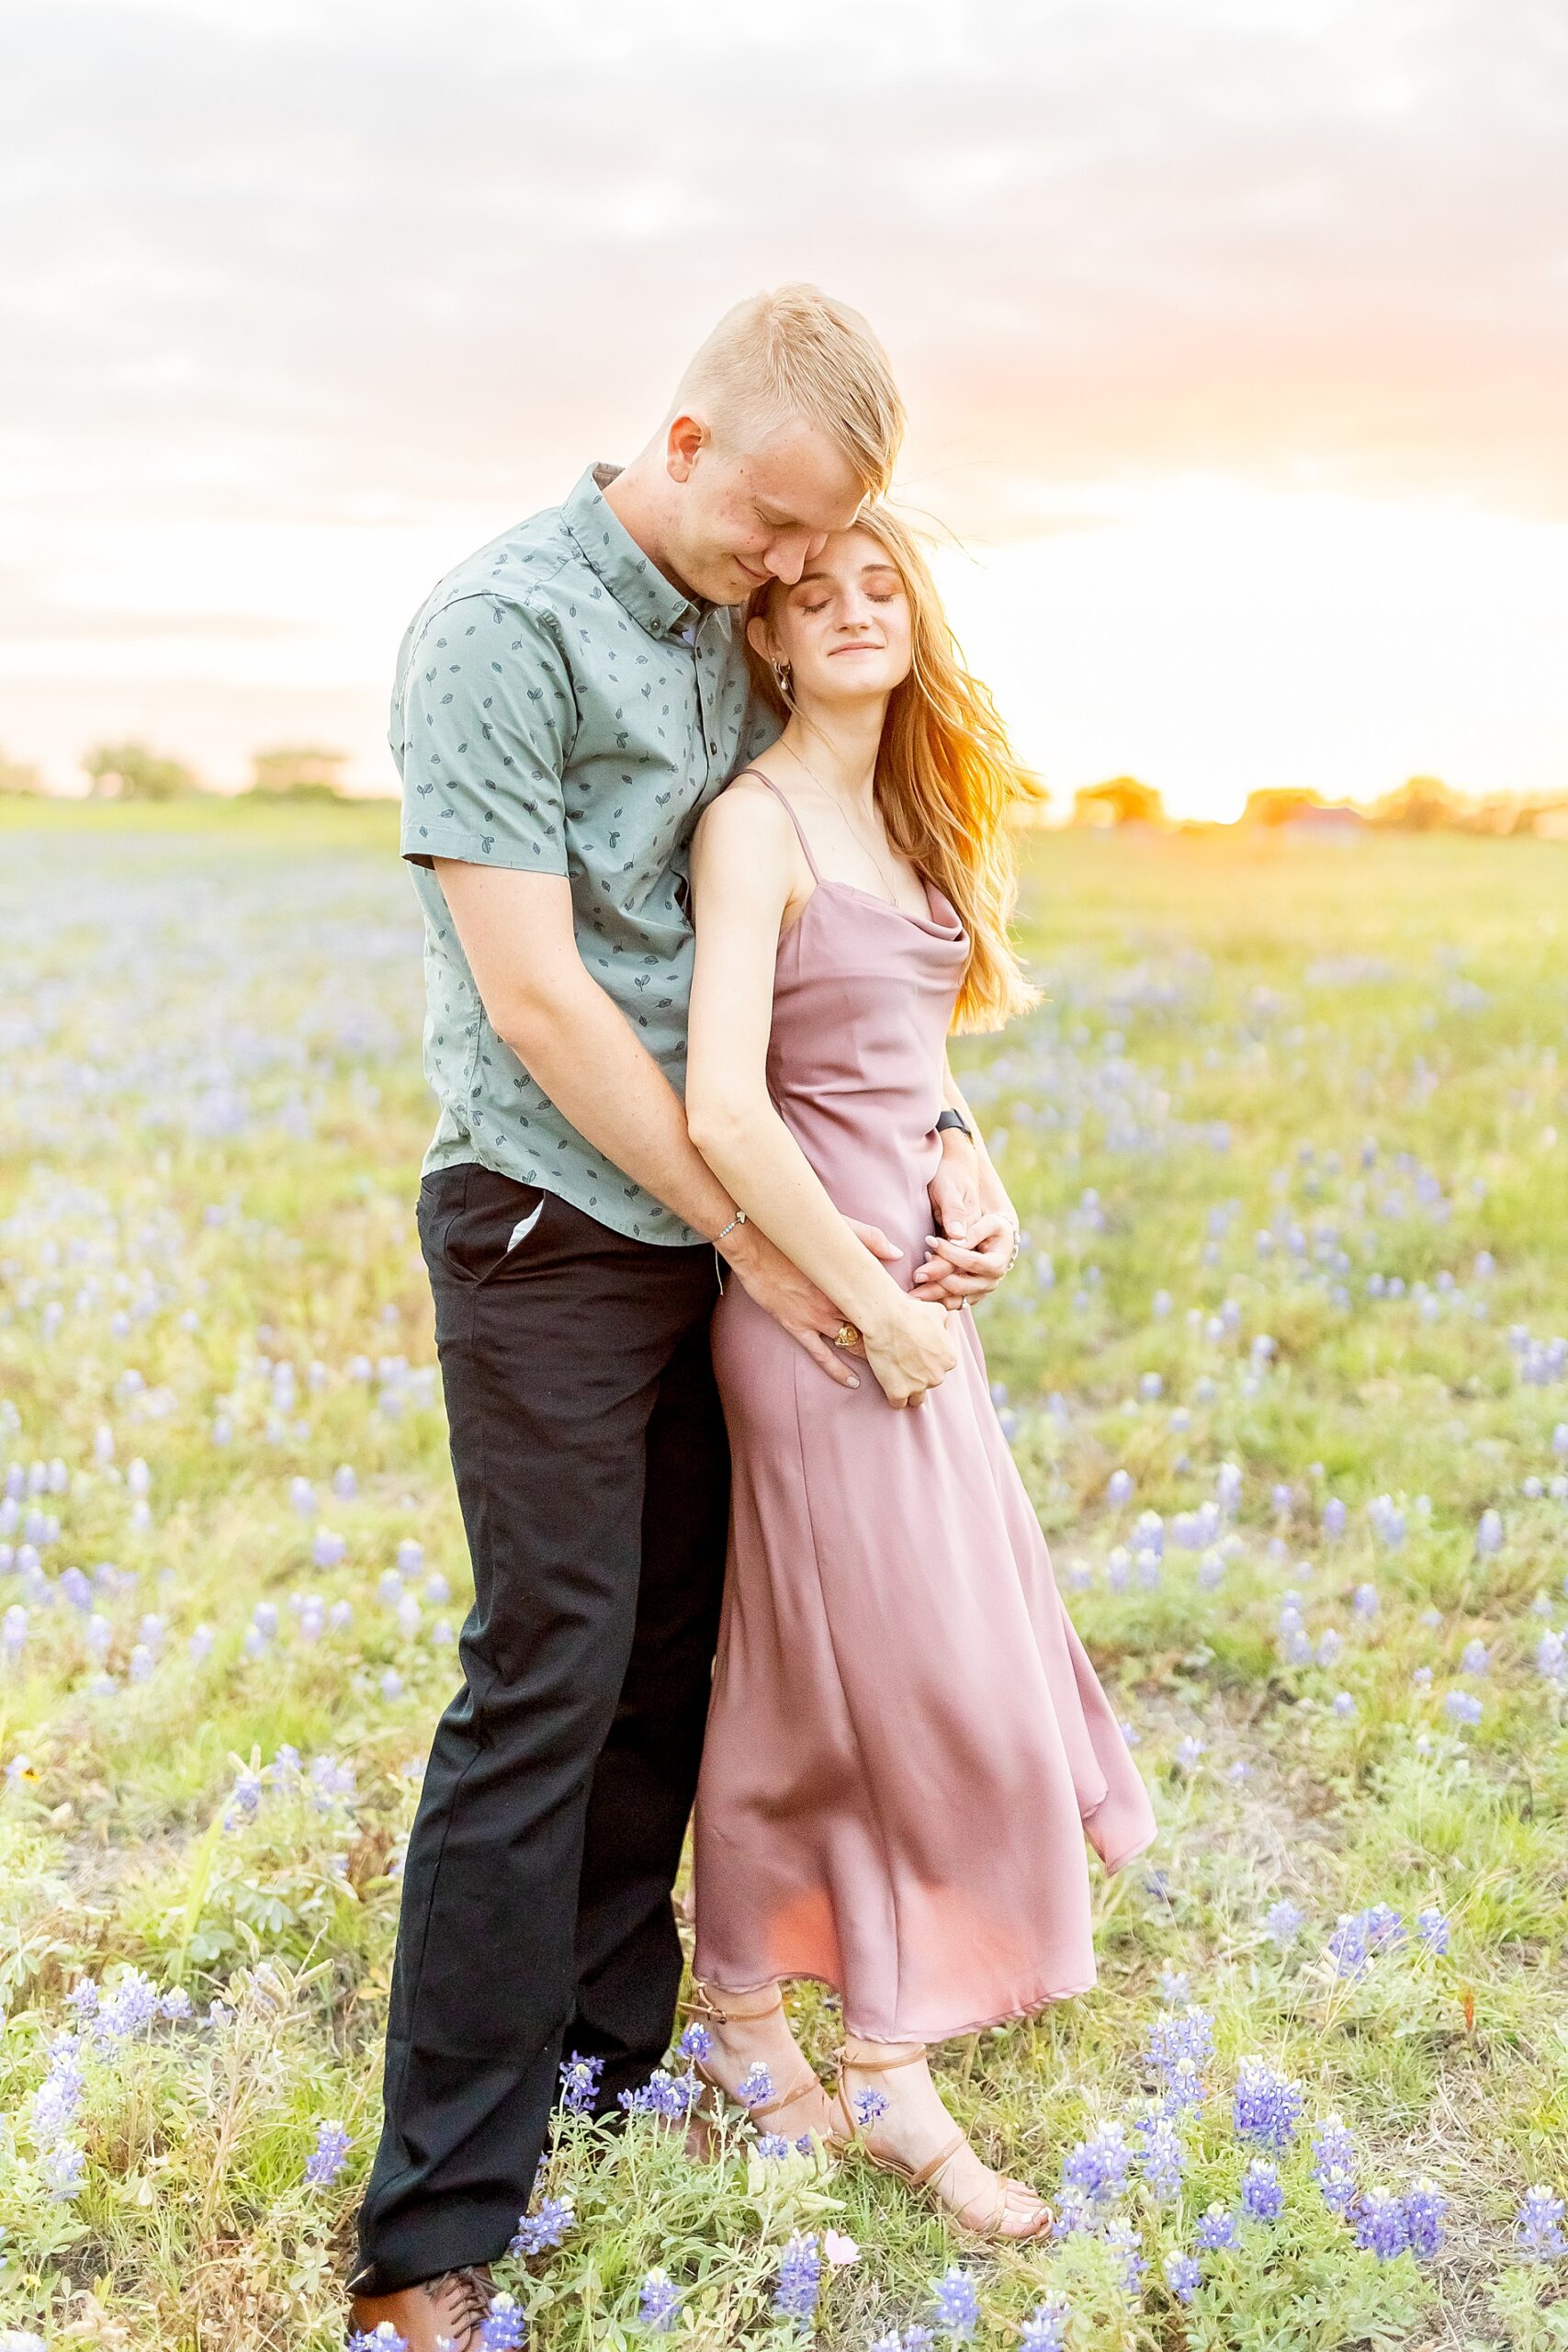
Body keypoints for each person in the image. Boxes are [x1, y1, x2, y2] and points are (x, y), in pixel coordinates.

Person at [346, 286, 989, 2352]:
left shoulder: (740, 616)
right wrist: (769, 1230)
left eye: (825, 546)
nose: (789, 572)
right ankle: (430, 2230)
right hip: (547, 1221)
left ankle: (620, 2069)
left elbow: (829, 940)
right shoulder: (495, 628)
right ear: (688, 437)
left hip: (728, 1235)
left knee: (669, 1674)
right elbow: (536, 993)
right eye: (772, 527)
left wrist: (936, 1135)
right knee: (540, 1675)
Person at [680, 505, 1159, 2239]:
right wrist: (870, 1306)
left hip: (914, 1306)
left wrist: (971, 1160)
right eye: (819, 595)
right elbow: (731, 1102)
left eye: (886, 585)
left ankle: (745, 2016)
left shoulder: (908, 813)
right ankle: (887, 2067)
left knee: (834, 1686)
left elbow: (898, 1061)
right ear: (773, 642)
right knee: (922, 1685)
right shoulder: (755, 823)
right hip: (822, 1322)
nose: (858, 611)